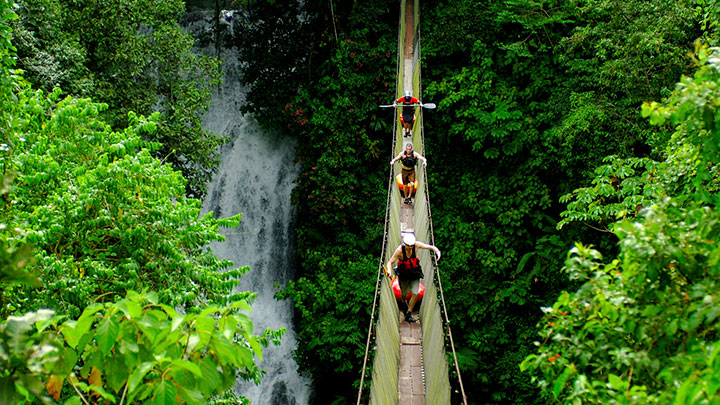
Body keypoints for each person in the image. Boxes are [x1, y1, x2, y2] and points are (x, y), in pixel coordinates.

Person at [386, 232, 441, 323]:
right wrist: (389, 270)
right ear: (404, 244)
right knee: (404, 295)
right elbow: (390, 262)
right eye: (408, 245)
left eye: (411, 245)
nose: (410, 248)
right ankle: (404, 305)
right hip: (403, 274)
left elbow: (429, 247)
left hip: (414, 273)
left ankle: (408, 313)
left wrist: (437, 252)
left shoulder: (416, 246)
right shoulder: (399, 251)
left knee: (415, 292)